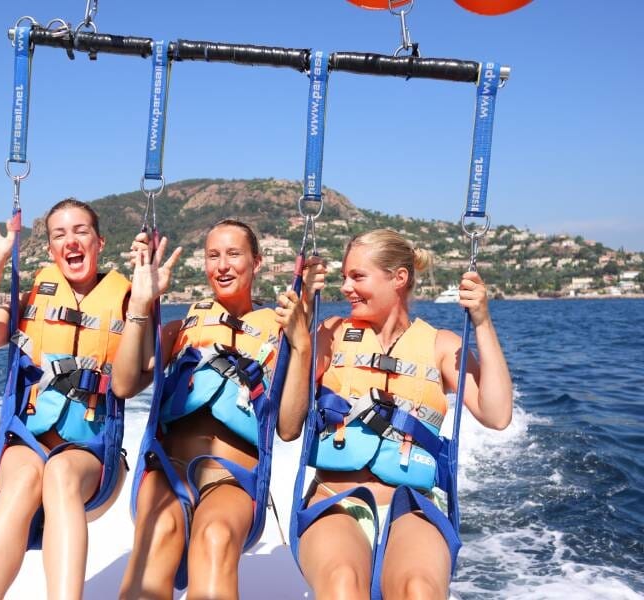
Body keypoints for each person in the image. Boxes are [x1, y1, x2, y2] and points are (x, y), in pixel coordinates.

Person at [296, 229, 513, 599]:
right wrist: (303, 313)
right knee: (343, 583)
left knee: (419, 590)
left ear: (398, 278)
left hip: (413, 506)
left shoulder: (441, 345)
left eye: (357, 276)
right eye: (344, 276)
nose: (345, 287)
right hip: (335, 499)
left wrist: (482, 321)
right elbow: (288, 414)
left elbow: (497, 415)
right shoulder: (330, 333)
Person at [0, 199, 153, 600]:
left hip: (93, 454)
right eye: (59, 234)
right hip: (26, 444)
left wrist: (142, 306)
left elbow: (128, 385)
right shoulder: (31, 300)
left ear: (100, 242)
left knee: (60, 472)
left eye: (81, 231)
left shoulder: (130, 299)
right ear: (50, 249)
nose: (71, 241)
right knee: (26, 480)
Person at [112, 219, 311, 600]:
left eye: (233, 254)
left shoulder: (281, 335)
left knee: (215, 537)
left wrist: (301, 346)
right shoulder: (181, 327)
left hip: (233, 478)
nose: (222, 265)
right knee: (158, 532)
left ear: (257, 262)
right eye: (213, 255)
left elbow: (288, 429)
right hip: (169, 469)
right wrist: (139, 302)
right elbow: (123, 385)